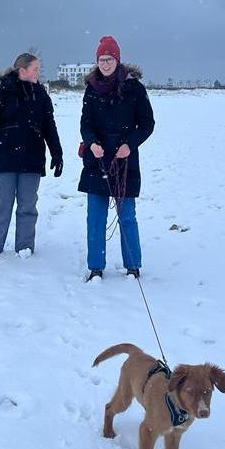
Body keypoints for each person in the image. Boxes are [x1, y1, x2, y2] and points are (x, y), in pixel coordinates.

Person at [78, 36, 155, 281]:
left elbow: (147, 124)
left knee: (127, 217)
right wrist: (91, 142)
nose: (105, 63)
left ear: (117, 59)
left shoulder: (134, 88)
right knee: (96, 218)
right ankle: (96, 267)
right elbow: (85, 123)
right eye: (101, 59)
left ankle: (132, 266)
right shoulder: (91, 88)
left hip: (124, 160)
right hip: (98, 160)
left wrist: (129, 145)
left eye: (109, 59)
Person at [0, 52, 63, 255]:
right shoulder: (3, 92)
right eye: (35, 69)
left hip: (31, 160)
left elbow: (49, 126)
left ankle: (24, 249)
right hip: (4, 160)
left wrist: (57, 153)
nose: (38, 73)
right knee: (0, 207)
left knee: (28, 208)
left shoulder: (40, 94)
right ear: (22, 70)